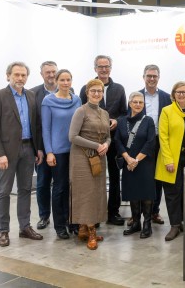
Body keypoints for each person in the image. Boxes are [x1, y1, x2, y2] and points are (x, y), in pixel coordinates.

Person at [0, 61, 44, 247]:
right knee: (4, 191)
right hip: (7, 153)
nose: (20, 78)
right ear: (8, 76)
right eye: (16, 74)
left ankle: (24, 227)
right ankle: (3, 231)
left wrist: (38, 149)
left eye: (23, 75)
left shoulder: (31, 95)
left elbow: (35, 125)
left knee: (26, 189)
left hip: (28, 150)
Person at [79, 55, 127, 226]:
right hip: (92, 142)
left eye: (107, 66)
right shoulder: (86, 88)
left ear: (111, 68)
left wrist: (117, 121)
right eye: (100, 67)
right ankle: (95, 215)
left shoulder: (119, 89)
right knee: (94, 178)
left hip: (112, 141)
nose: (104, 69)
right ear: (95, 69)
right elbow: (83, 112)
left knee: (114, 177)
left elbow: (124, 112)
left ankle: (113, 212)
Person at [155, 81, 185, 241]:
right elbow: (163, 137)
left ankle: (182, 222)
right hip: (172, 159)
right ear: (173, 95)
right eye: (178, 92)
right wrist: (168, 160)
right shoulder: (167, 111)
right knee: (172, 193)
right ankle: (174, 225)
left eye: (184, 92)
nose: (181, 94)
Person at [69, 79, 110, 250]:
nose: (96, 93)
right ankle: (90, 231)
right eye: (93, 90)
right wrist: (96, 146)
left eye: (99, 91)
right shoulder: (81, 111)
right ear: (87, 92)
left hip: (99, 157)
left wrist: (106, 144)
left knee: (97, 193)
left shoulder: (105, 113)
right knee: (85, 193)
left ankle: (84, 229)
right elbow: (72, 137)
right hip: (82, 157)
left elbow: (108, 136)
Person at [41, 69, 81, 239]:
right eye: (62, 80)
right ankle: (60, 226)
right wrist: (49, 152)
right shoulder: (48, 101)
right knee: (60, 188)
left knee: (75, 189)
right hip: (58, 152)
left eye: (68, 79)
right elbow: (46, 129)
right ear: (56, 81)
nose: (65, 83)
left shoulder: (77, 100)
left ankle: (73, 222)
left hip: (76, 150)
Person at [115, 92, 156, 238]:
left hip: (144, 163)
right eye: (135, 102)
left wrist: (136, 160)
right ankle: (136, 222)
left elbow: (150, 142)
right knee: (133, 193)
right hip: (128, 164)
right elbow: (117, 141)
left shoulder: (148, 121)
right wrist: (127, 158)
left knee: (146, 194)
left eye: (141, 102)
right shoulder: (121, 121)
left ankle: (147, 224)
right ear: (130, 103)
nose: (138, 104)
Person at [138, 64, 171, 225]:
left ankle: (154, 212)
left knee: (157, 178)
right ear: (143, 77)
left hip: (159, 142)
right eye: (149, 76)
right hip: (141, 143)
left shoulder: (166, 97)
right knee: (141, 177)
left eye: (154, 76)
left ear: (158, 77)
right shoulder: (136, 96)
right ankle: (137, 213)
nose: (151, 79)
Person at [31, 61, 58, 230]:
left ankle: (62, 217)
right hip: (42, 148)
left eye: (53, 71)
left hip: (62, 147)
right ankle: (44, 216)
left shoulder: (68, 92)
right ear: (41, 74)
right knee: (42, 184)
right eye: (47, 72)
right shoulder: (33, 93)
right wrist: (38, 149)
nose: (51, 75)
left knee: (61, 185)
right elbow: (34, 125)